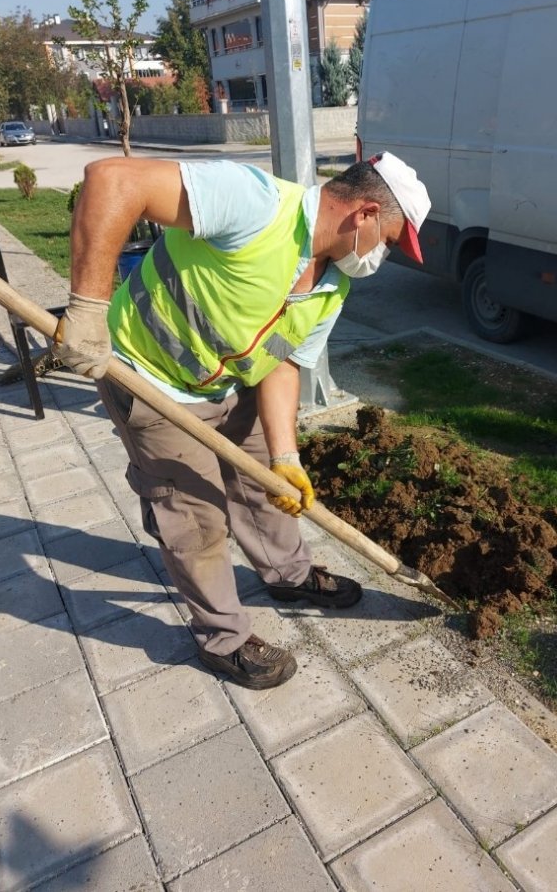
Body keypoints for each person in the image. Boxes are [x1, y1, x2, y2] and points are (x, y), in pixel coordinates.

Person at [53, 151, 431, 690]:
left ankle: (289, 576)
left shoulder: (331, 288)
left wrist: (285, 458)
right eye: (391, 242)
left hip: (232, 384)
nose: (382, 258)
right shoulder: (255, 205)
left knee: (266, 488)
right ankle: (222, 638)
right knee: (195, 516)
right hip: (150, 379)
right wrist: (87, 308)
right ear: (365, 214)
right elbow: (111, 179)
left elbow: (284, 364)